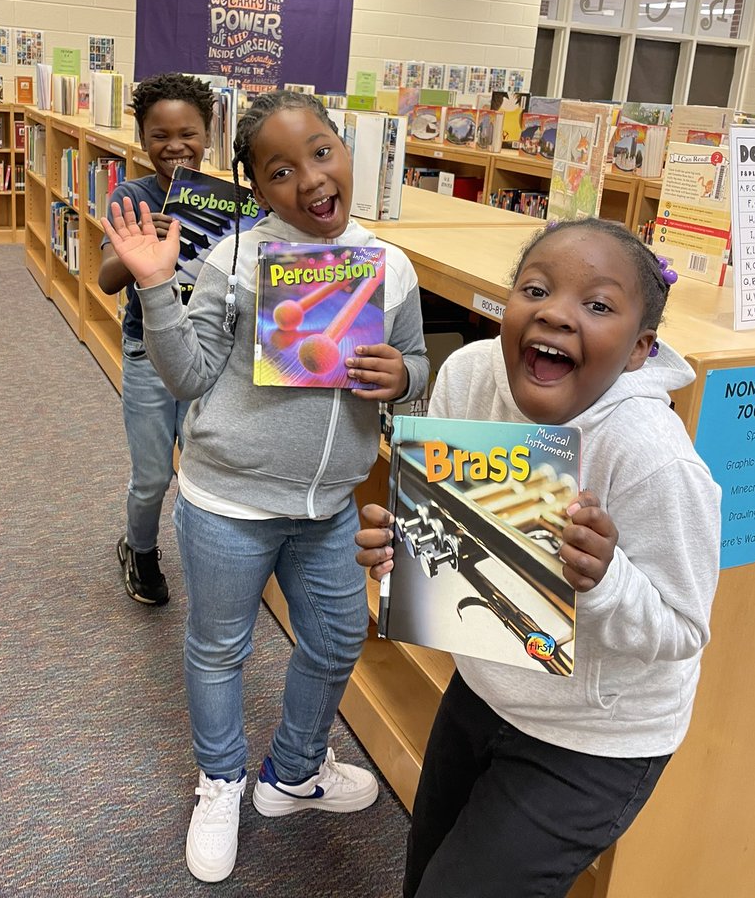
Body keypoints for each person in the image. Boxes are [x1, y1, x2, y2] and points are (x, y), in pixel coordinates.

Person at [102, 90, 430, 883]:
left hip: (327, 508)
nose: (310, 180)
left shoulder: (390, 267)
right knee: (219, 649)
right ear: (255, 187)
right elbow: (187, 375)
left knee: (338, 637)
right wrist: (153, 284)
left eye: (322, 152)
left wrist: (401, 376)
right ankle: (219, 782)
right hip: (229, 502)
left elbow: (417, 368)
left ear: (347, 153)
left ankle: (292, 773)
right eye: (280, 171)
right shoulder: (238, 256)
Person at [356, 217, 721, 898]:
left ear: (641, 349)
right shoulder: (469, 374)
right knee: (425, 871)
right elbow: (464, 549)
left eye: (599, 304)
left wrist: (605, 582)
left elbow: (683, 631)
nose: (556, 311)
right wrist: (406, 553)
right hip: (489, 685)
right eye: (536, 288)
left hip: (596, 736)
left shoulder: (652, 457)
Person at [98, 73, 214, 606]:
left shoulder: (229, 201)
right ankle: (139, 548)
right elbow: (104, 280)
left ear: (208, 134)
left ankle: (208, 556)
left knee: (204, 469)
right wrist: (135, 250)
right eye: (159, 135)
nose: (175, 146)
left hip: (209, 357)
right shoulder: (133, 195)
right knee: (151, 476)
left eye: (187, 133)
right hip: (147, 353)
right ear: (142, 137)